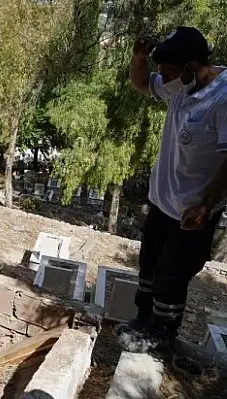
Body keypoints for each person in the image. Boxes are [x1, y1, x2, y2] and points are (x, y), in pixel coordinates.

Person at [119, 26, 227, 353]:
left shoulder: (222, 99)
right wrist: (139, 57)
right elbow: (140, 84)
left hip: (193, 210)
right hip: (163, 201)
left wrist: (206, 206)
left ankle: (163, 330)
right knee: (150, 264)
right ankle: (143, 319)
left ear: (191, 68)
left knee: (172, 272)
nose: (163, 80)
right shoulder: (180, 85)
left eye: (167, 73)